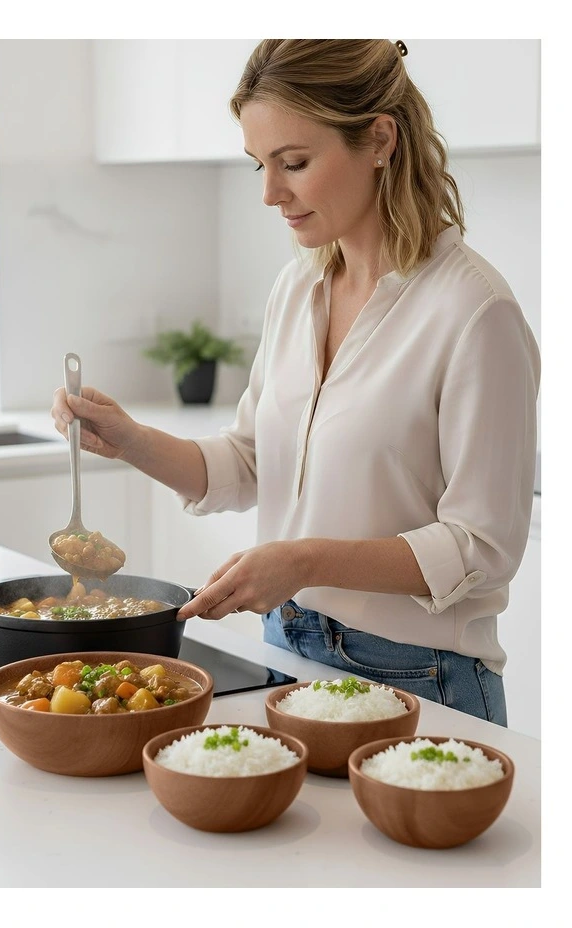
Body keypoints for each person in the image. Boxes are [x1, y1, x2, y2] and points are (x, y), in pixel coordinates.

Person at [51, 39, 540, 725]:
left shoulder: (474, 310)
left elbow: (482, 549)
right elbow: (251, 462)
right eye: (260, 165)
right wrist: (130, 439)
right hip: (288, 650)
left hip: (420, 676)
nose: (269, 193)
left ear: (379, 139)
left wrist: (303, 560)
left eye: (295, 163)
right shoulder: (299, 287)